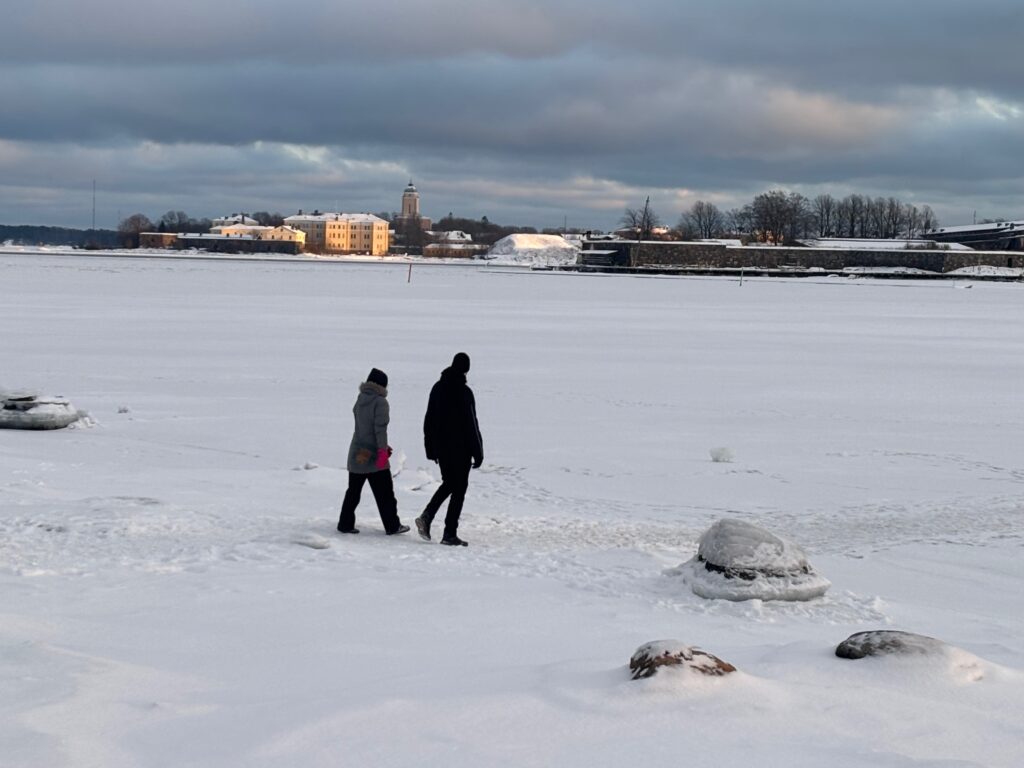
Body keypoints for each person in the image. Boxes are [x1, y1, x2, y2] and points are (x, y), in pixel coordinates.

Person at [416, 352, 483, 547]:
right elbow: (472, 424)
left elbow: (428, 420)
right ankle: (449, 533)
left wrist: (430, 447)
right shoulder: (464, 392)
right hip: (460, 450)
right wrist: (478, 452)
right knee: (458, 488)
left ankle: (427, 517)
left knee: (449, 484)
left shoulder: (437, 388)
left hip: (442, 449)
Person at [337, 368, 410, 536]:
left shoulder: (360, 398)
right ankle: (392, 525)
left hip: (357, 453)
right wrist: (383, 451)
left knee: (353, 491)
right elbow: (380, 430)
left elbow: (363, 428)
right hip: (374, 456)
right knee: (386, 493)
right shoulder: (380, 402)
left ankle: (345, 524)